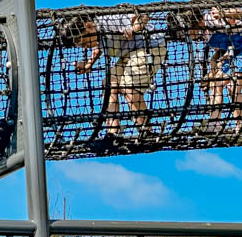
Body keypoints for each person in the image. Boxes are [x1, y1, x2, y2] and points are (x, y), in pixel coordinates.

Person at [60, 12, 167, 143]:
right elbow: (99, 47)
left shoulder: (110, 20)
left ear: (87, 26)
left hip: (150, 47)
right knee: (109, 83)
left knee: (129, 86)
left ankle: (146, 131)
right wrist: (88, 65)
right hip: (130, 52)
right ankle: (113, 132)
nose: (84, 47)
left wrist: (133, 29)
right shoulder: (96, 33)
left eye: (83, 43)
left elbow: (142, 16)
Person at [186, 6, 242, 138]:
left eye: (190, 30)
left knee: (232, 87)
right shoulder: (206, 34)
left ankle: (235, 127)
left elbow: (240, 13)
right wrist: (214, 62)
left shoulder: (214, 19)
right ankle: (217, 124)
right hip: (235, 55)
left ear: (198, 22)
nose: (190, 35)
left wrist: (223, 13)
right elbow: (224, 49)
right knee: (218, 84)